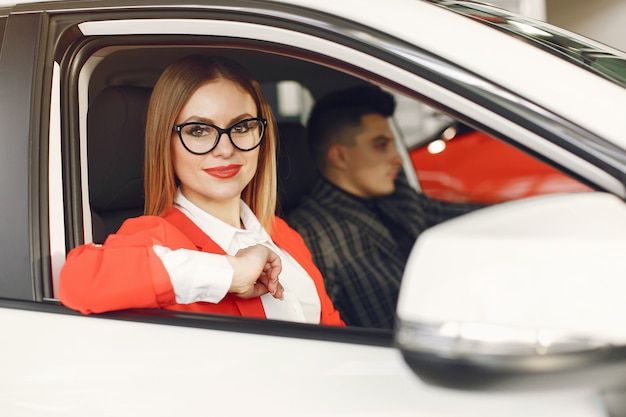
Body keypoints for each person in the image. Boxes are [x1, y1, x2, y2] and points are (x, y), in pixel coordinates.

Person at [59, 55, 343, 327]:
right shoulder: (158, 237)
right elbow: (77, 282)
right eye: (198, 131)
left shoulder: (280, 232)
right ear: (165, 142)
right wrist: (232, 272)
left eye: (242, 126)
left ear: (261, 136)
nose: (225, 149)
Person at [287, 85, 482, 329]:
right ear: (339, 156)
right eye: (381, 144)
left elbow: (458, 219)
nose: (398, 157)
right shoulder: (311, 233)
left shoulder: (396, 196)